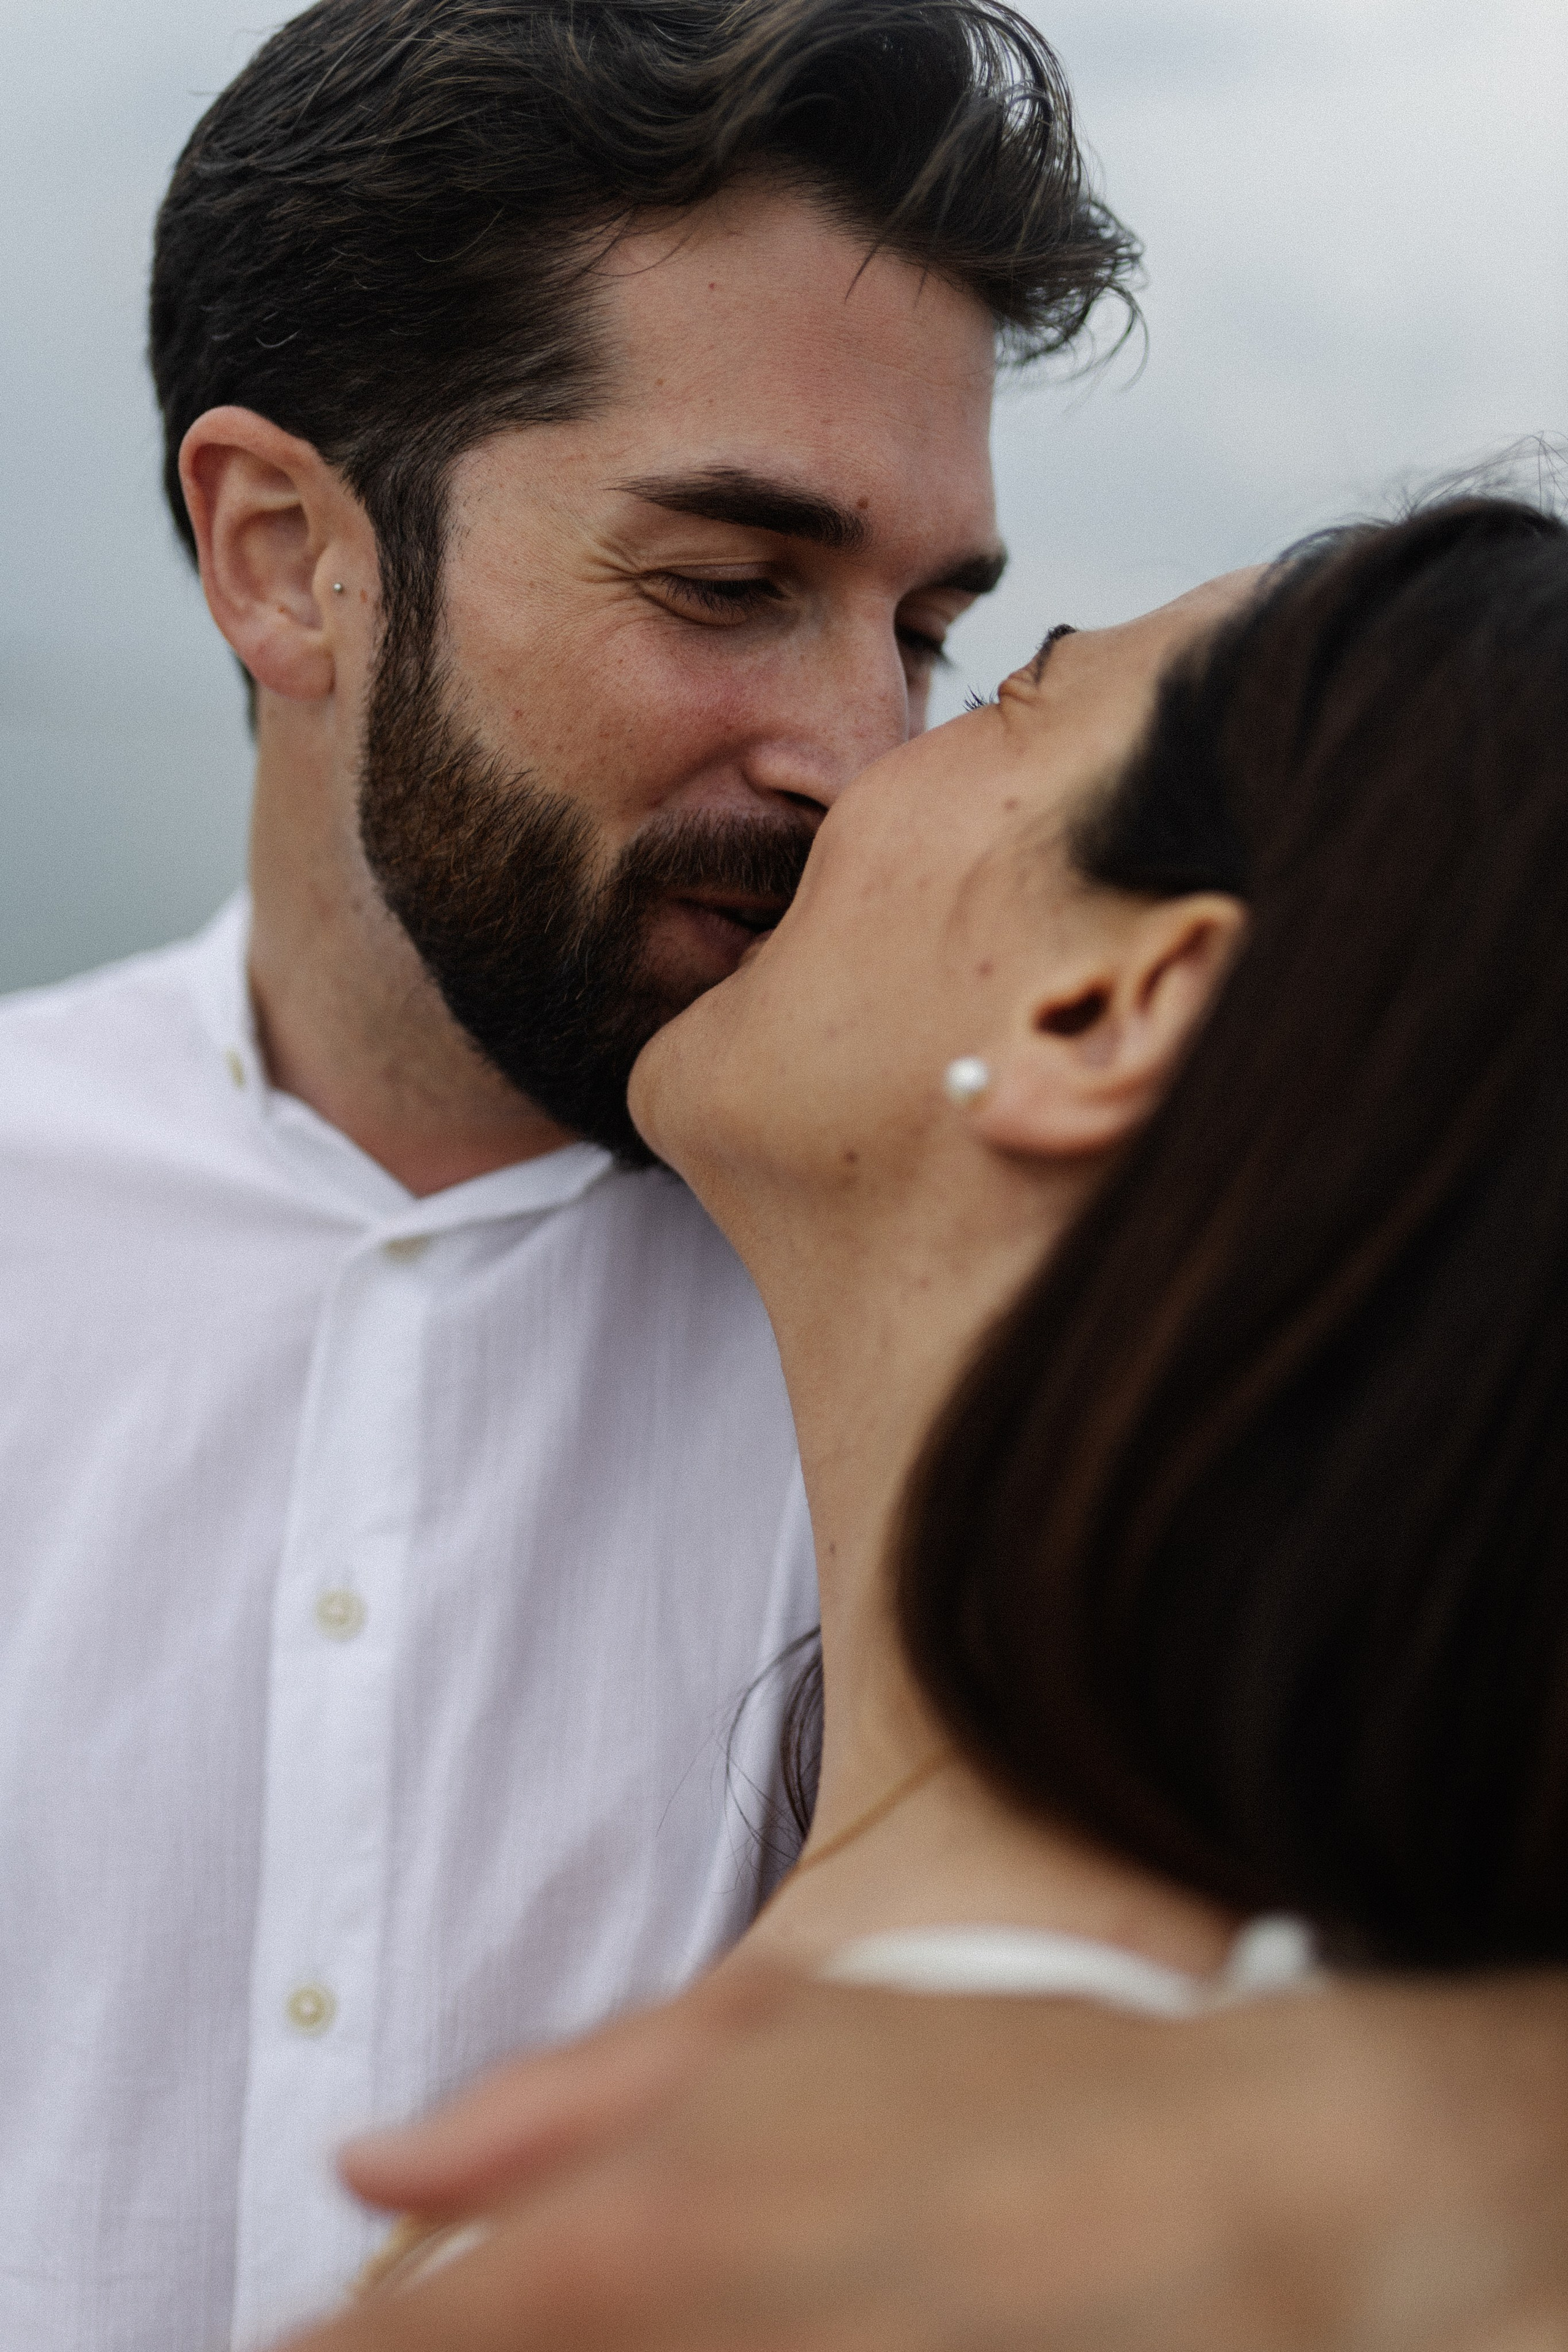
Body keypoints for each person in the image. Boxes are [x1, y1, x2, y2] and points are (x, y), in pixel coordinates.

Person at [0, 4, 1134, 2343]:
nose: (864, 753)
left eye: (928, 629)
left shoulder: (1047, 1341)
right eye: (729, 581)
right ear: (286, 556)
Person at [284, 498, 1568, 2350]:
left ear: (1106, 1007)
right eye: (726, 591)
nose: (855, 755)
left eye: (1010, 693)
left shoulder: (937, 2252)